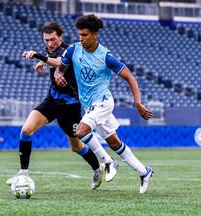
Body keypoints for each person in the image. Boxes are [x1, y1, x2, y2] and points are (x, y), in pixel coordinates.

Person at [6, 22, 118, 190]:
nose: (50, 43)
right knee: (26, 130)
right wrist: (45, 63)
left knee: (76, 146)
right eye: (46, 40)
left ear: (60, 37)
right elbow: (54, 62)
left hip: (70, 105)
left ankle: (97, 168)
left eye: (53, 39)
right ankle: (23, 173)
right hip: (52, 100)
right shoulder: (51, 50)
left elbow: (59, 61)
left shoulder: (70, 51)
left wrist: (39, 57)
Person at [54, 14, 154, 194]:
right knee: (115, 143)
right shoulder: (73, 50)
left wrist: (138, 103)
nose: (81, 39)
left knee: (81, 132)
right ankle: (144, 171)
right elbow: (60, 67)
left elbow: (130, 77)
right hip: (89, 104)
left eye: (84, 35)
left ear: (95, 35)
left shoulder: (106, 56)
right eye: (79, 35)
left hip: (103, 102)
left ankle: (108, 162)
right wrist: (58, 74)